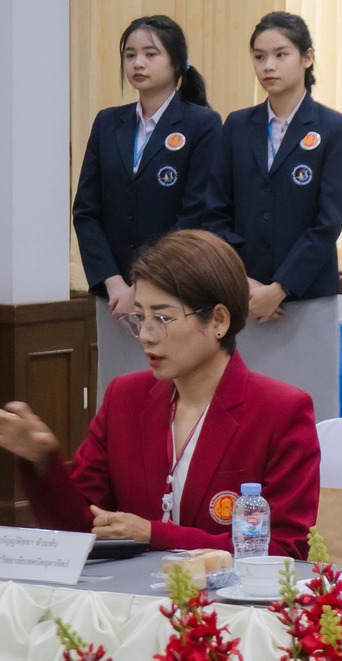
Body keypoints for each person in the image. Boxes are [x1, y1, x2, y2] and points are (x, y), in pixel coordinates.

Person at [0, 231, 319, 557]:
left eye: (163, 318)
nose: (146, 336)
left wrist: (155, 534)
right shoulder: (124, 397)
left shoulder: (280, 410)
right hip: (128, 602)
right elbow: (81, 531)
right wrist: (41, 459)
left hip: (224, 605)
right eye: (140, 317)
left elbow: (284, 552)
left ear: (219, 321)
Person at [194, 11, 342, 420]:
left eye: (281, 54)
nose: (268, 66)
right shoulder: (236, 126)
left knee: (309, 410)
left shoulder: (334, 128)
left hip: (307, 297)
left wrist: (278, 289)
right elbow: (215, 212)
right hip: (241, 299)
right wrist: (245, 285)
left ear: (307, 58)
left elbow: (328, 222)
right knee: (243, 413)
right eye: (259, 56)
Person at [74, 16, 223, 392]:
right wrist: (114, 284)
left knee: (169, 393)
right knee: (121, 391)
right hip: (115, 296)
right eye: (130, 55)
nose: (137, 63)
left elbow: (195, 214)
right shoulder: (108, 123)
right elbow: (86, 211)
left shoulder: (202, 124)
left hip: (173, 291)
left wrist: (143, 287)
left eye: (150, 54)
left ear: (176, 63)